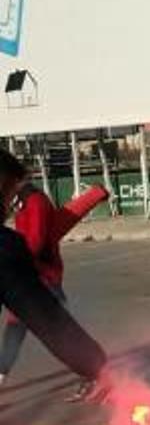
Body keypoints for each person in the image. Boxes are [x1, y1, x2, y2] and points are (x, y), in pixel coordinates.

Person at [0, 150, 109, 401]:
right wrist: (96, 363)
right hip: (39, 281)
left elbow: (57, 224)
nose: (9, 207)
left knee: (16, 331)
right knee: (35, 325)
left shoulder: (34, 203)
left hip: (41, 279)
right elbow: (48, 320)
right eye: (7, 196)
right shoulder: (8, 244)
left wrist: (93, 196)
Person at [0, 159, 69, 384]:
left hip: (43, 276)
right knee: (15, 330)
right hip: (27, 276)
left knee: (59, 330)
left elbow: (36, 242)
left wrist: (14, 256)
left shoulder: (36, 201)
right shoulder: (24, 202)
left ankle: (96, 373)